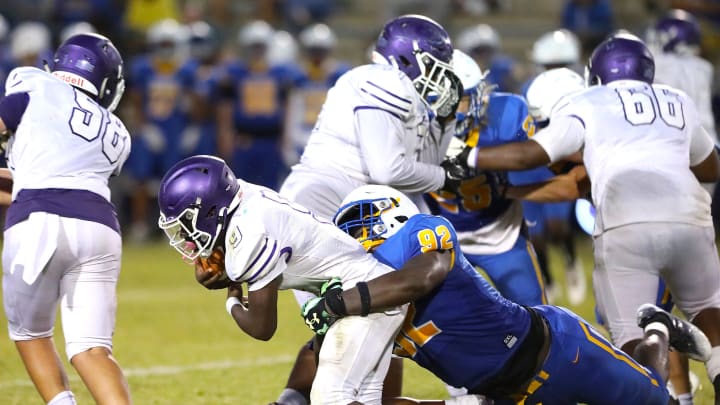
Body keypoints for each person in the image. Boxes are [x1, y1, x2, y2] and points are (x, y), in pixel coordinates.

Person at [448, 32, 720, 402]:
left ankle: (662, 373)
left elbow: (535, 155)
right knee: (709, 313)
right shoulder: (677, 99)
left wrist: (469, 158)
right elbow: (710, 167)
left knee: (629, 339)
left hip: (628, 224)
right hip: (691, 218)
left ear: (596, 76)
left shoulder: (589, 101)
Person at [302, 184, 711, 404]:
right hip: (503, 396)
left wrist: (339, 303)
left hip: (559, 351)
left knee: (656, 400)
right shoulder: (364, 294)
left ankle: (657, 327)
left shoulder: (418, 233)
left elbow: (424, 276)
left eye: (355, 226)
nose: (353, 241)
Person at [156, 155, 485, 405]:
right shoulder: (243, 199)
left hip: (364, 300)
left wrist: (231, 297)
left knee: (330, 397)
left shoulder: (248, 233)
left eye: (186, 223)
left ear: (213, 210)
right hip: (365, 292)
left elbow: (261, 327)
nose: (183, 235)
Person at [275, 14, 464, 404]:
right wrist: (446, 177)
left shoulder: (402, 95)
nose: (440, 77)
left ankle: (294, 399)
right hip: (322, 209)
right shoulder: (382, 81)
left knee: (370, 319)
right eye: (434, 64)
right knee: (373, 315)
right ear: (409, 58)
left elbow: (411, 176)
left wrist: (443, 125)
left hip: (341, 216)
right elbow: (388, 169)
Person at [0, 33, 132, 405]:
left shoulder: (33, 83)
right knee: (92, 349)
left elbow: (38, 185)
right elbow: (59, 181)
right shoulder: (117, 131)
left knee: (30, 334)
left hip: (37, 222)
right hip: (99, 228)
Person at [425, 50, 547, 307]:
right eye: (445, 102)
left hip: (500, 232)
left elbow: (550, 153)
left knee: (538, 315)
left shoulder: (506, 113)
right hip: (439, 238)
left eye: (463, 100)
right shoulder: (410, 125)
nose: (457, 111)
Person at [517, 28, 587, 306]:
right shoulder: (528, 89)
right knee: (536, 234)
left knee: (558, 226)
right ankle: (547, 277)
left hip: (559, 160)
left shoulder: (579, 90)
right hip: (533, 163)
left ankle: (571, 262)